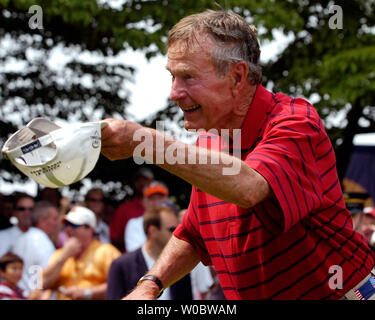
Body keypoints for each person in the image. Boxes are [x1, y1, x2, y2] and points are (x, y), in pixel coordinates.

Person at [100, 10, 375, 300]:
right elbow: (194, 234)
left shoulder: (295, 121)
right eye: (172, 76)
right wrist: (150, 285)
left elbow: (249, 186)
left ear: (237, 76)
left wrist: (142, 141)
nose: (174, 93)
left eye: (188, 77)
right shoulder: (208, 143)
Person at [106, 205, 192, 300]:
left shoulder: (181, 262)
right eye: (172, 229)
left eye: (178, 228)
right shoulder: (121, 265)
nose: (176, 233)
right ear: (153, 231)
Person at [42, 206, 121, 300]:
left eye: (74, 225)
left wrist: (87, 293)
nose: (68, 229)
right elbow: (43, 283)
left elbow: (120, 285)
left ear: (90, 229)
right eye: (66, 224)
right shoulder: (60, 254)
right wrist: (63, 257)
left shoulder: (106, 252)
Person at [11, 201, 59, 296]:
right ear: (42, 221)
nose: (57, 223)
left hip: (20, 294)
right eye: (55, 219)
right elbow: (48, 277)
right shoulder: (43, 243)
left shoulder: (21, 238)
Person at [109, 167, 154, 252]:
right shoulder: (124, 208)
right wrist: (132, 236)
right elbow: (114, 238)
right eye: (139, 180)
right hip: (131, 259)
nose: (142, 183)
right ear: (134, 183)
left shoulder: (162, 208)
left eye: (146, 180)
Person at [124, 181, 170, 252]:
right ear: (144, 202)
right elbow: (136, 256)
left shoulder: (175, 222)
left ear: (168, 200)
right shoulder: (134, 224)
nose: (156, 202)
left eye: (160, 198)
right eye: (152, 198)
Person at [0, 192, 35, 257]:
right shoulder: (2, 237)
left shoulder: (41, 236)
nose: (27, 213)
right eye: (21, 209)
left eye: (31, 209)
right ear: (14, 212)